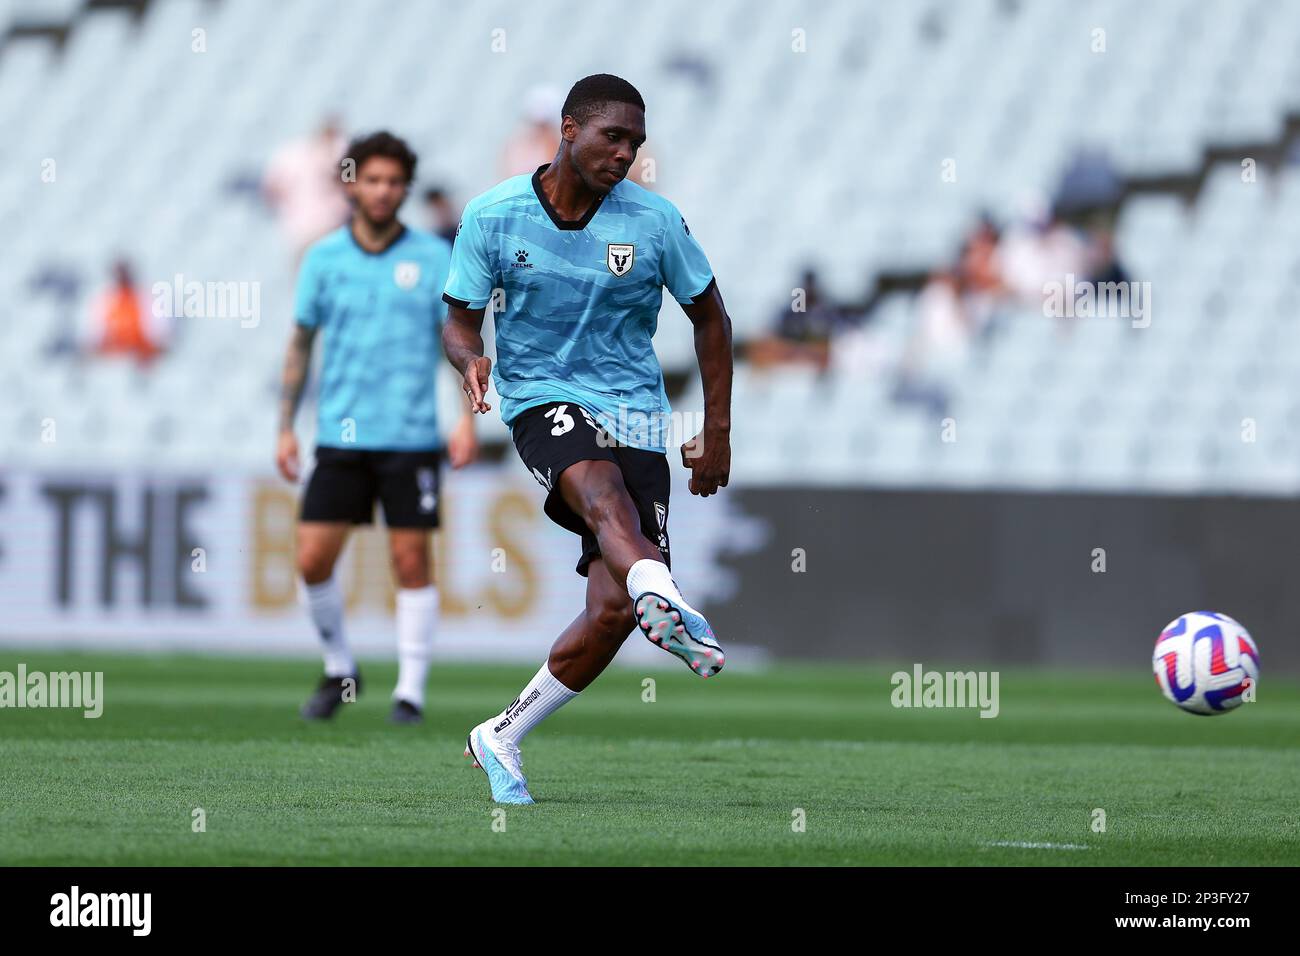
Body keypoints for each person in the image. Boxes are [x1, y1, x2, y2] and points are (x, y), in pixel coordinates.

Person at [442, 74, 734, 804]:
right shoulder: (494, 214)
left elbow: (711, 319)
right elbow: (456, 317)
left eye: (636, 142)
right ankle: (666, 595)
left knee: (610, 610)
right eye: (614, 137)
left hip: (636, 410)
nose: (626, 153)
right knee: (601, 494)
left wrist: (717, 431)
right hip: (541, 395)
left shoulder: (656, 222)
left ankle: (501, 733)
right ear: (568, 129)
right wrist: (468, 357)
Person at [276, 131, 478, 725]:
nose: (384, 190)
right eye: (373, 179)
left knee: (410, 562)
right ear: (351, 183)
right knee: (312, 559)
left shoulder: (435, 257)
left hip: (412, 436)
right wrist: (285, 426)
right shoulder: (323, 258)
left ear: (405, 188)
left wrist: (465, 417)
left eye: (394, 181)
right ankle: (341, 665)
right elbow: (300, 344)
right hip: (339, 436)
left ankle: (409, 693)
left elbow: (459, 339)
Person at [263, 116, 350, 265]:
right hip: (328, 230)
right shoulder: (341, 150)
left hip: (306, 234)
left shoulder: (290, 154)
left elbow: (271, 190)